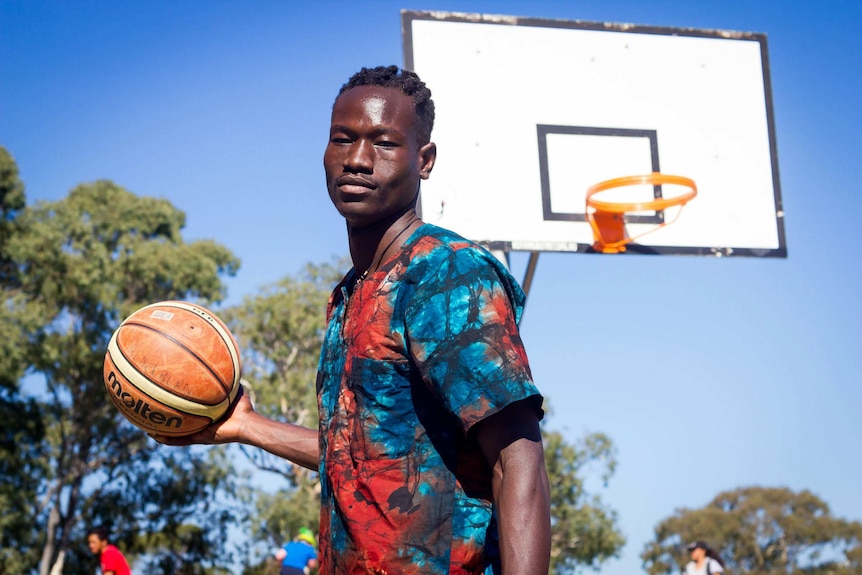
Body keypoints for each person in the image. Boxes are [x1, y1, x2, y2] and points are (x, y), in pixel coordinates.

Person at [155, 65, 551, 574]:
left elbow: (517, 460)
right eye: (343, 139)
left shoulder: (443, 272)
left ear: (424, 160)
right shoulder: (351, 292)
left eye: (383, 143)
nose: (358, 160)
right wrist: (246, 426)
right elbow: (363, 460)